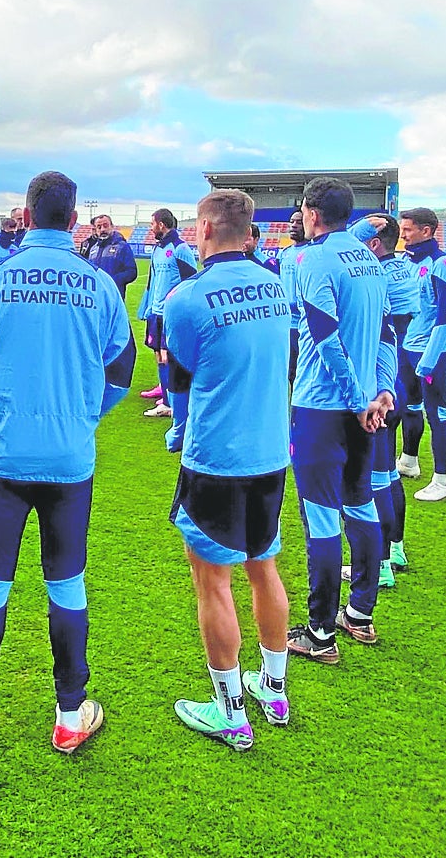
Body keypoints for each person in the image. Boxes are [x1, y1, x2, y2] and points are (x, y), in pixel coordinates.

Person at [0, 170, 135, 754]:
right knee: (67, 584)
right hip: (70, 459)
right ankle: (70, 715)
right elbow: (121, 373)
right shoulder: (98, 285)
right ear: (74, 220)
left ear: (24, 217)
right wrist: (83, 417)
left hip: (1, 457)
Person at [162, 190, 293, 752]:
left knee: (212, 582)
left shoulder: (186, 297)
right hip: (270, 454)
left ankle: (229, 711)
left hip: (216, 456)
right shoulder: (277, 285)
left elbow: (182, 375)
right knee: (264, 566)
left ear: (208, 230)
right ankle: (276, 689)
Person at [284, 177, 395, 665]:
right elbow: (389, 330)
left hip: (325, 407)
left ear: (310, 212)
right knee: (361, 504)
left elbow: (326, 340)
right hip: (365, 405)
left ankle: (320, 633)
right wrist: (384, 390)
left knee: (324, 517)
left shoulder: (316, 259)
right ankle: (360, 614)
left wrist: (355, 399)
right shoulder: (369, 259)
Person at [346, 214, 419, 589]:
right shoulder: (402, 269)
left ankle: (384, 563)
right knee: (388, 476)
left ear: (373, 246)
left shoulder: (377, 278)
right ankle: (397, 548)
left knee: (374, 480)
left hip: (381, 382)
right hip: (398, 375)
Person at [395, 206, 446, 502]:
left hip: (433, 351)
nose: (403, 234)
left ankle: (441, 480)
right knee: (409, 406)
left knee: (437, 413)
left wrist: (429, 359)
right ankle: (409, 461)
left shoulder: (442, 263)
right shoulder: (407, 262)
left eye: (407, 229)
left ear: (426, 231)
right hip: (407, 347)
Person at [136, 208, 197, 420]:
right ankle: (165, 398)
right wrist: (147, 307)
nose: (151, 228)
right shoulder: (157, 249)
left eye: (152, 223)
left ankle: (172, 402)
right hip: (155, 311)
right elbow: (152, 281)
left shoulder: (180, 248)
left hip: (170, 313)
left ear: (161, 224)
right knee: (158, 356)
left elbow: (190, 281)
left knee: (167, 356)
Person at [279, 210, 309, 383]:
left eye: (298, 222)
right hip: (287, 323)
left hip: (305, 322)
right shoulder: (285, 253)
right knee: (290, 371)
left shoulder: (311, 252)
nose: (293, 225)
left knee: (303, 369)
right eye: (292, 222)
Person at [79, 213, 137, 295]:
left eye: (105, 226)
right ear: (96, 230)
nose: (102, 229)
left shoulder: (122, 246)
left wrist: (112, 280)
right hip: (94, 295)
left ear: (112, 227)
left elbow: (132, 272)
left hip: (114, 294)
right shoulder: (93, 249)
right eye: (99, 227)